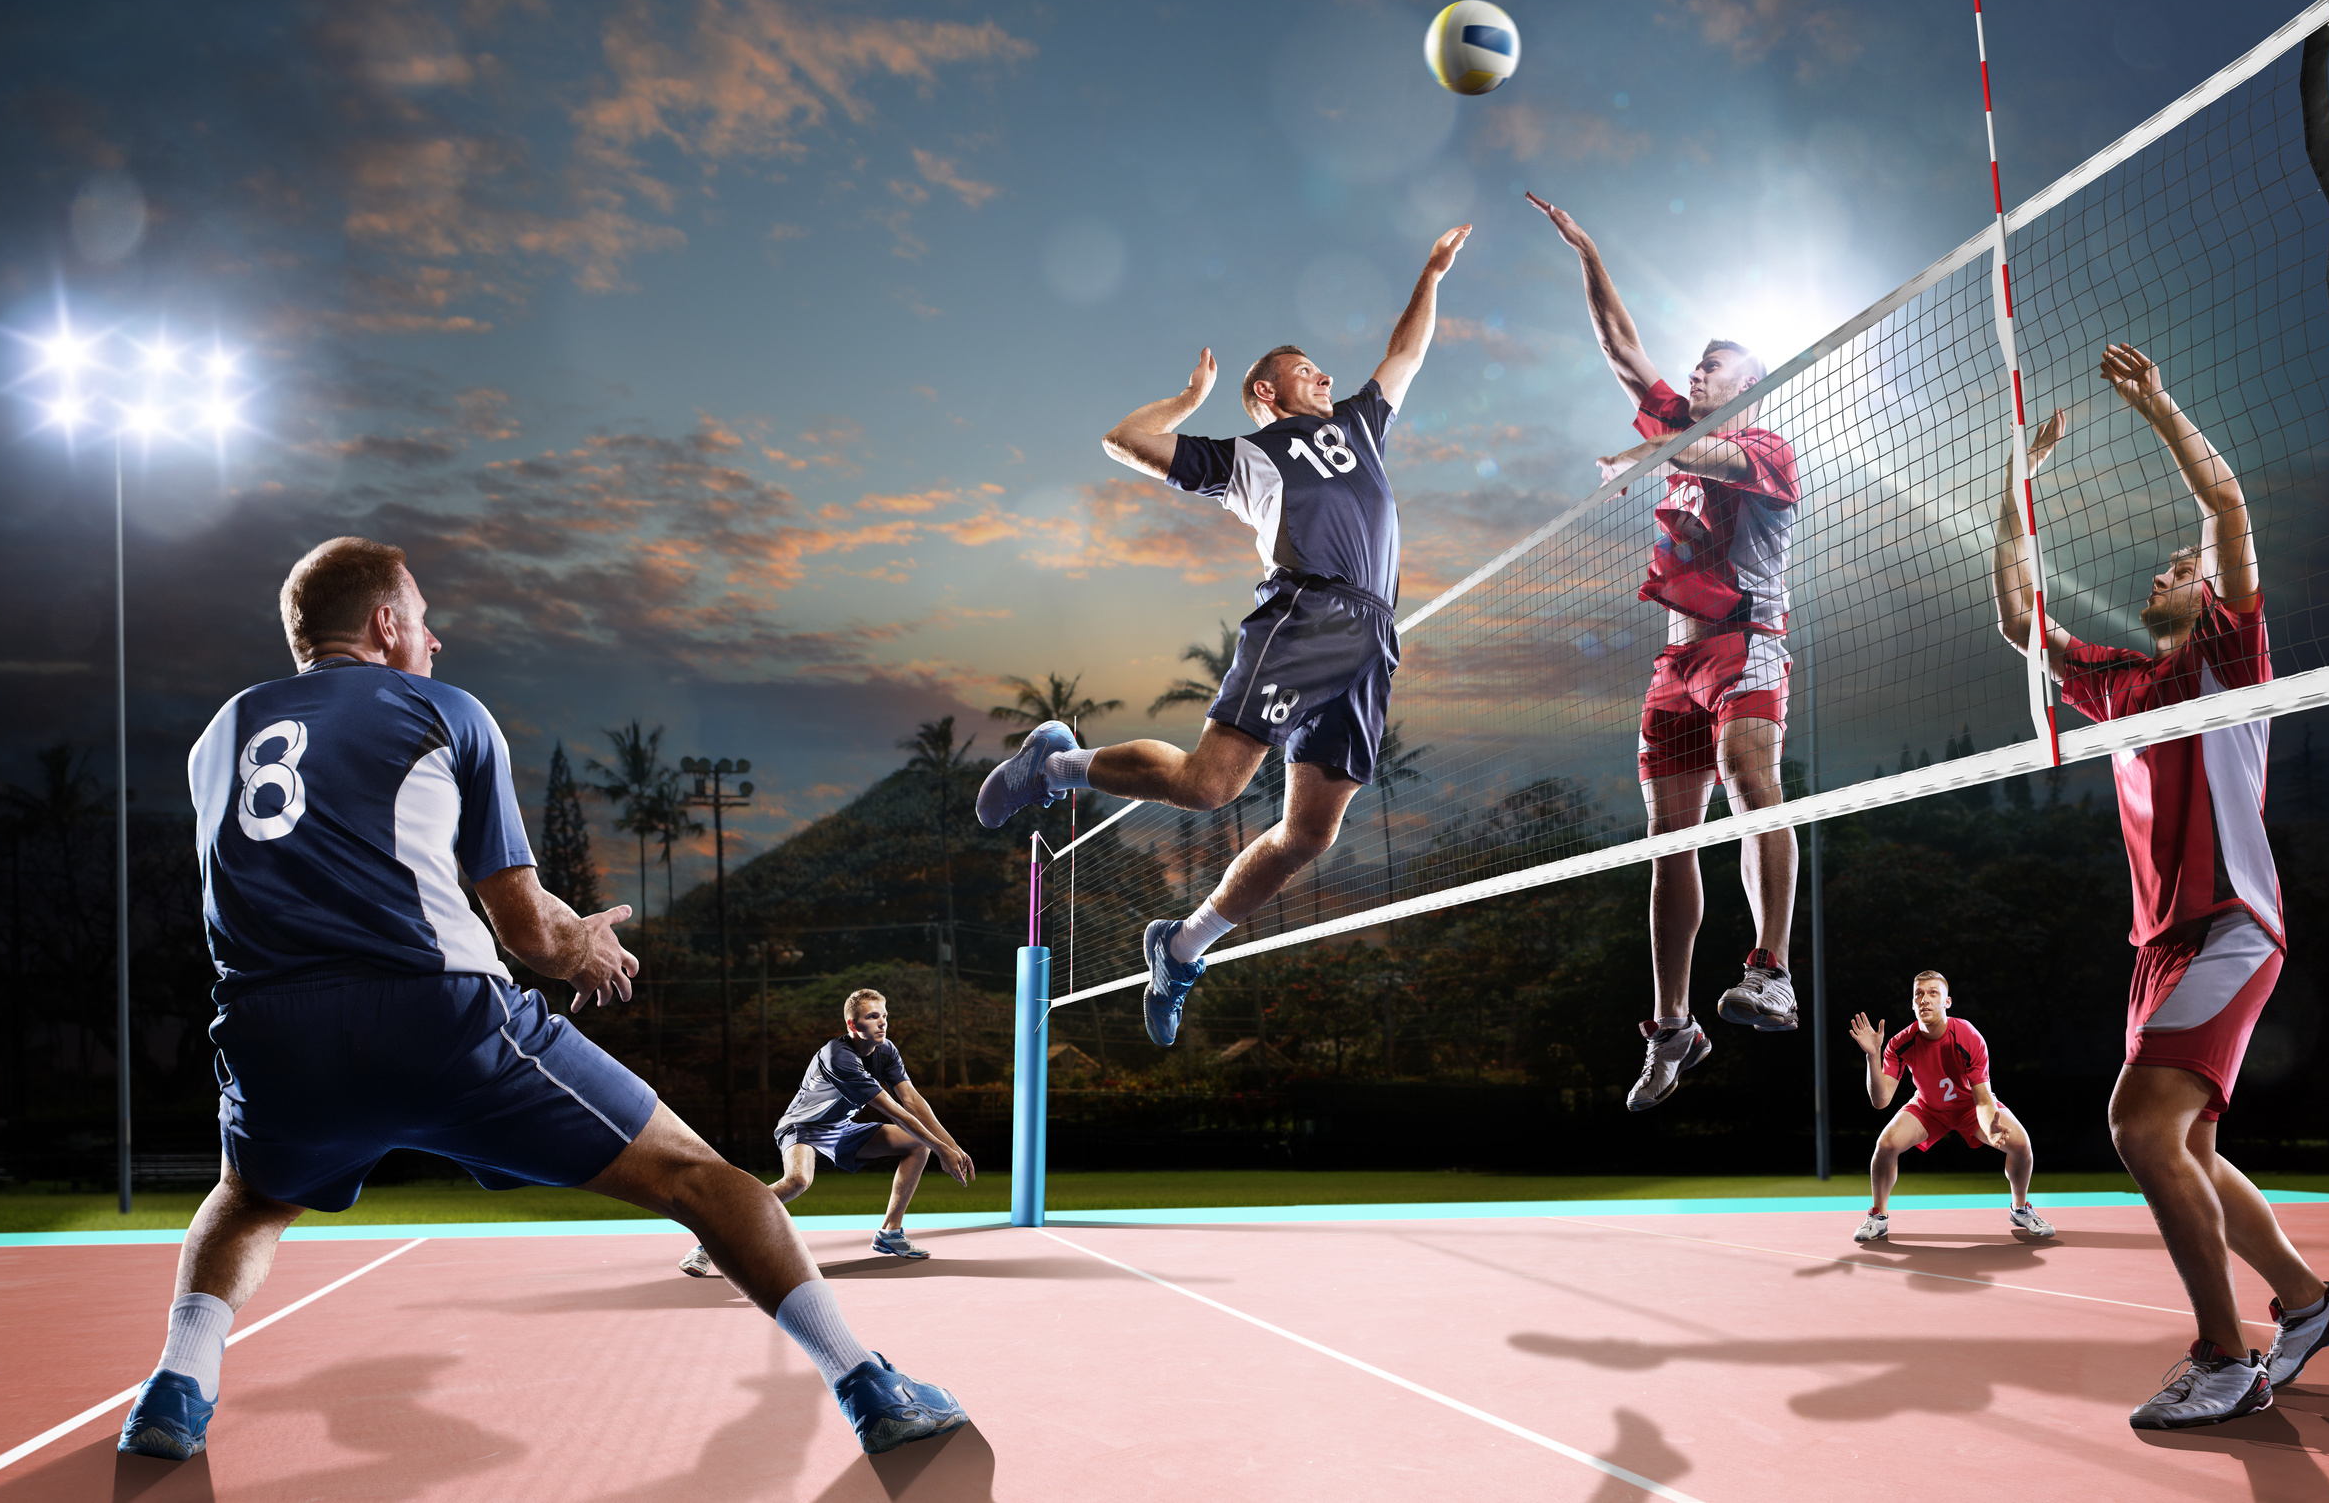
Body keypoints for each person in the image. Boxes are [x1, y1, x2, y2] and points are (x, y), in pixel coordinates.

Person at [117, 538, 965, 1464]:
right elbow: (525, 928)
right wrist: (584, 948)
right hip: (432, 1014)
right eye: (424, 617)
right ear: (385, 624)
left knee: (246, 1199)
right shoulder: (443, 711)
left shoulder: (219, 737)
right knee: (704, 1179)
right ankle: (870, 1384)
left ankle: (175, 1390)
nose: (435, 640)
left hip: (270, 1030)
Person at [974, 225, 1472, 1047]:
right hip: (1306, 614)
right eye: (1303, 366)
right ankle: (1053, 761)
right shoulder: (1249, 453)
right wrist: (1188, 400)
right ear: (1268, 392)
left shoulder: (1360, 424)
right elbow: (1123, 441)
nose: (1325, 372)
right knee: (1211, 785)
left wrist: (1432, 272)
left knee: (1309, 833)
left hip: (1372, 637)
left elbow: (1407, 351)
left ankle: (1180, 945)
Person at [1999, 344, 2329, 1431]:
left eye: (2181, 567)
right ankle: (2307, 1304)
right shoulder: (2121, 685)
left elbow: (2226, 504)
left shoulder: (2229, 653)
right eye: (2158, 570)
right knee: (2188, 1141)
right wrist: (2010, 496)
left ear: (2209, 597)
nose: (2167, 571)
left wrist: (2161, 407)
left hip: (2230, 925)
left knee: (2141, 1128)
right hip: (2160, 942)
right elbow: (2021, 622)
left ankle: (2223, 1355)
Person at [1525, 193, 1802, 1112]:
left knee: (1748, 771)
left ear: (1748, 385)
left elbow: (1713, 462)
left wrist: (1649, 458)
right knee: (1665, 840)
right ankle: (1675, 1028)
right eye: (1699, 364)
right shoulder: (1680, 426)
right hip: (1673, 664)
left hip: (1745, 645)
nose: (1698, 369)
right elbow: (1619, 347)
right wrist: (1589, 248)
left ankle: (1771, 971)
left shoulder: (1764, 446)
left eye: (1716, 366)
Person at [679, 989, 974, 1274]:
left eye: (884, 1015)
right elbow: (893, 1110)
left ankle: (890, 1232)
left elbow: (912, 1100)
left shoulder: (886, 1051)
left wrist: (952, 1148)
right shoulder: (839, 1056)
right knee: (797, 1181)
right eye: (873, 1016)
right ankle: (709, 1242)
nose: (882, 1022)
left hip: (840, 1128)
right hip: (803, 1127)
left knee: (916, 1145)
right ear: (852, 1024)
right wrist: (942, 1149)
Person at [1846, 971, 2054, 1243]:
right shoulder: (1900, 1043)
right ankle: (1878, 1216)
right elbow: (1881, 1100)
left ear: (1947, 1002)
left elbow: (1981, 1097)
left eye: (1933, 993)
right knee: (1885, 1146)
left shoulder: (1968, 1035)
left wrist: (1990, 1125)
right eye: (1919, 994)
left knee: (2021, 1144)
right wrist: (1872, 1056)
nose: (1925, 999)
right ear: (1912, 1004)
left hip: (1969, 1107)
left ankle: (2020, 1209)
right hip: (1928, 1108)